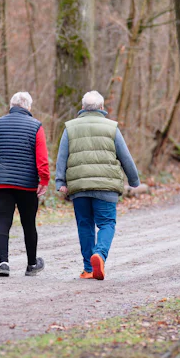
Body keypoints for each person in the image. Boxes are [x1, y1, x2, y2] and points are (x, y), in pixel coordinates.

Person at [56, 91, 140, 280]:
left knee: (85, 225)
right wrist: (134, 180)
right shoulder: (111, 127)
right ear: (102, 108)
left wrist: (60, 181)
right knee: (106, 223)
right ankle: (100, 255)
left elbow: (62, 156)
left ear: (83, 107)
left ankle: (88, 269)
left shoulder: (70, 127)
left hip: (79, 186)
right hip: (106, 185)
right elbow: (124, 155)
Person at [0, 92, 48, 277]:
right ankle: (31, 265)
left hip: (1, 183)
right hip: (27, 184)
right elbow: (42, 158)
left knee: (3, 222)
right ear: (28, 107)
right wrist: (43, 180)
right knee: (28, 223)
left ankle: (3, 263)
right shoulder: (36, 126)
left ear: (11, 105)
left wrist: (1, 170)